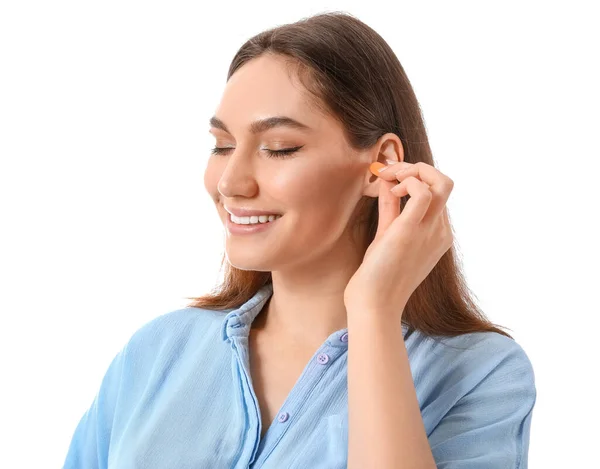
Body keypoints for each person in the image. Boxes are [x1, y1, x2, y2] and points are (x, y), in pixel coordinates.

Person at [62, 11, 536, 469]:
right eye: (222, 146)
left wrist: (373, 310)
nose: (230, 182)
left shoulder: (481, 374)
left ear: (383, 164)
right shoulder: (158, 351)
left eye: (278, 148)